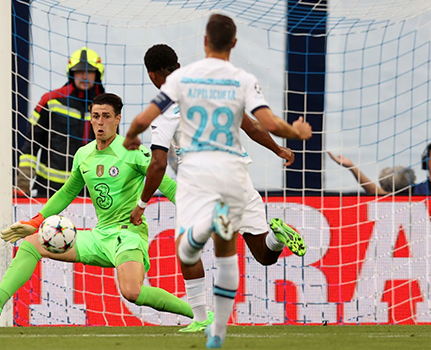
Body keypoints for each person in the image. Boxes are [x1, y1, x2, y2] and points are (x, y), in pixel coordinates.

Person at [124, 14, 308, 348]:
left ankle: (201, 319)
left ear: (152, 75)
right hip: (238, 175)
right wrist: (279, 148)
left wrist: (140, 204)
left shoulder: (168, 101)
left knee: (186, 250)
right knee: (264, 254)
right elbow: (251, 126)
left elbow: (158, 163)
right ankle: (277, 238)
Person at [0, 93, 194, 322]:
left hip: (128, 235)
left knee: (132, 292)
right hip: (100, 235)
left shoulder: (134, 152)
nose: (100, 122)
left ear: (118, 119)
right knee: (31, 244)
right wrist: (35, 221)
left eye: (106, 116)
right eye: (95, 116)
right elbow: (67, 192)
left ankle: (199, 314)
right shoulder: (84, 155)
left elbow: (168, 185)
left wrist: (193, 213)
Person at [17, 47, 106, 198]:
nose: (84, 76)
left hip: (90, 191)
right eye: (79, 72)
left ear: (97, 75)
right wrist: (22, 183)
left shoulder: (106, 106)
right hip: (49, 189)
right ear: (71, 74)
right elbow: (32, 144)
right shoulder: (51, 100)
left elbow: (111, 151)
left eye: (89, 72)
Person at [328, 152, 416, 195]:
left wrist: (352, 167)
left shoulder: (385, 199)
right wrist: (351, 167)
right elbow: (373, 189)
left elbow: (372, 188)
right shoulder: (422, 192)